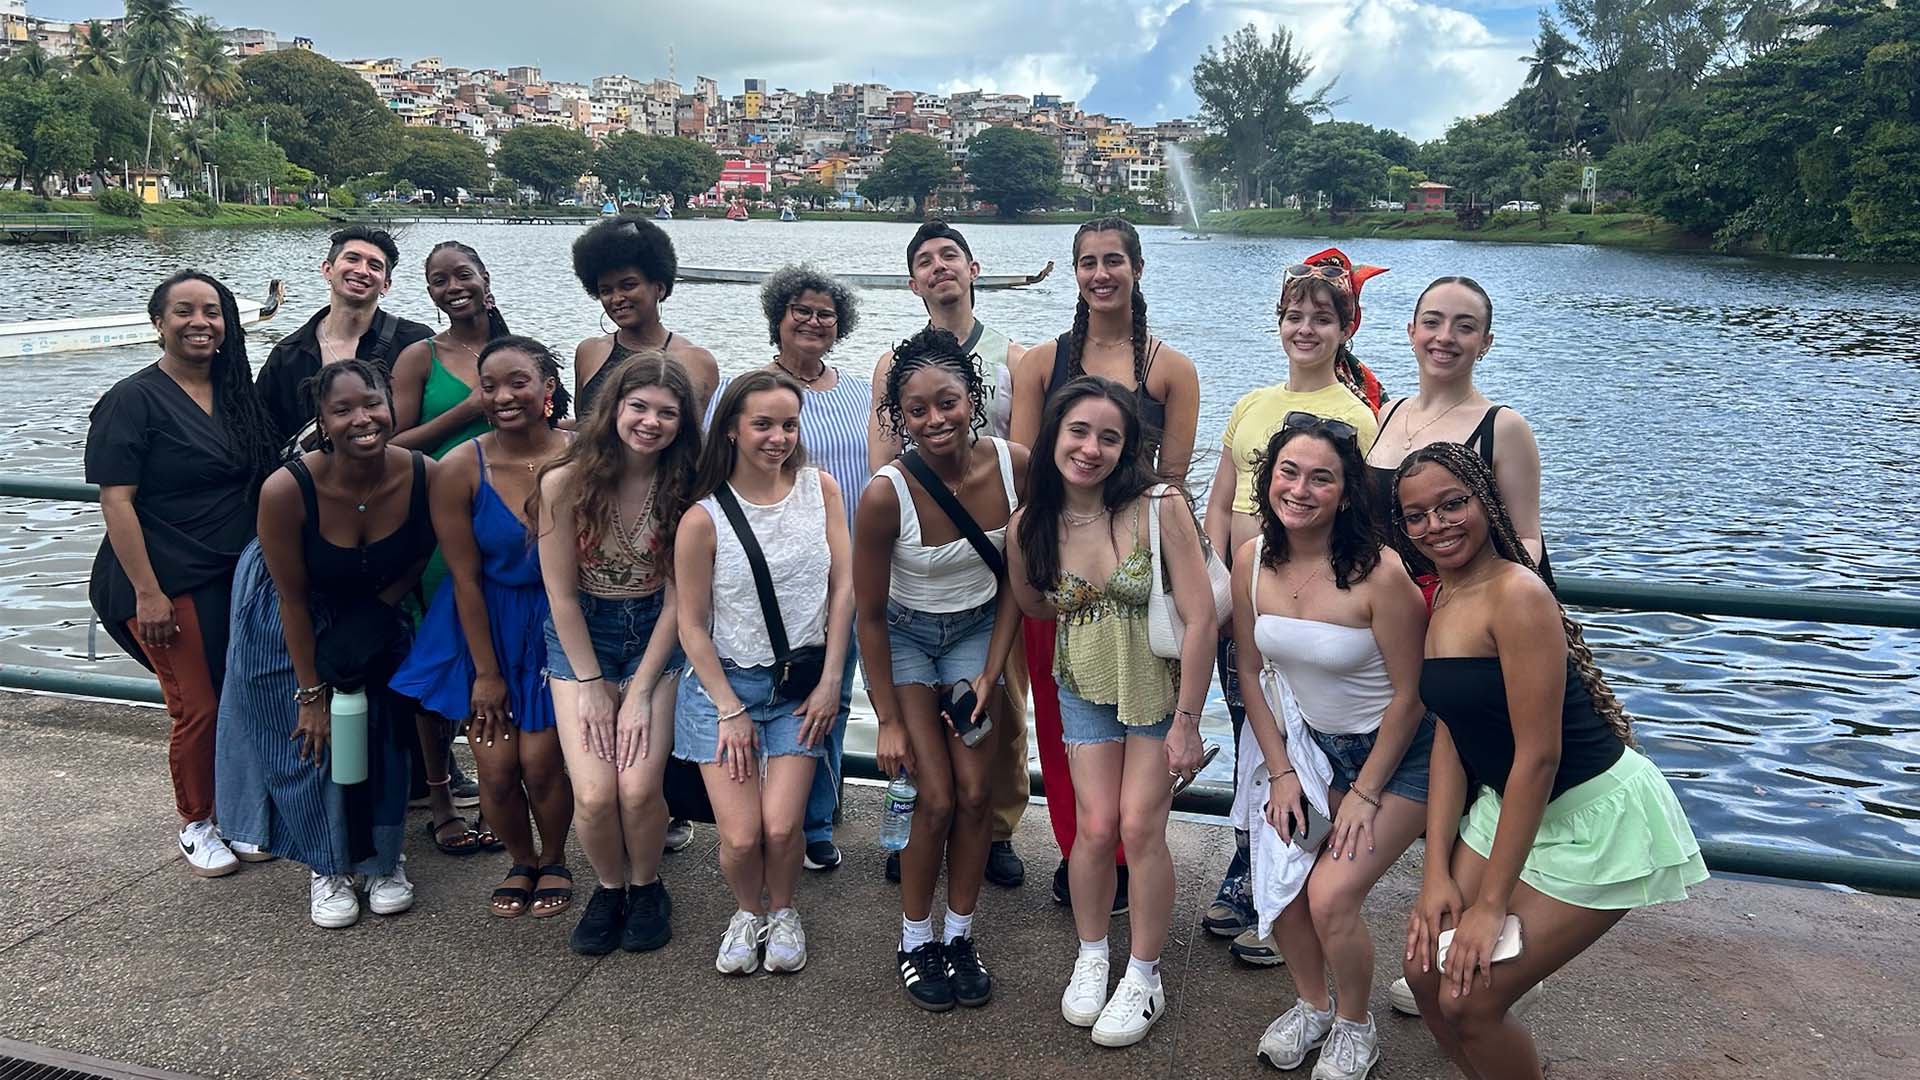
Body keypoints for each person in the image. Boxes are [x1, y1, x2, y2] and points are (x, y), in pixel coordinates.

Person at [1392, 443, 1706, 1080]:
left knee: (1471, 1001)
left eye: (1453, 504)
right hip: (1504, 808)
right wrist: (1435, 876)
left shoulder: (1517, 595)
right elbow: (1454, 734)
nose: (1437, 525)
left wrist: (1489, 905)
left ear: (1486, 502)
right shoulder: (1445, 597)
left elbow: (1537, 756)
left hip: (1589, 816)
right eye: (1417, 515)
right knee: (1423, 973)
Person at [1004, 376, 1212, 1048]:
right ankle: (1094, 953)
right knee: (1094, 828)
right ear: (1055, 436)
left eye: (1109, 437)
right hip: (1085, 685)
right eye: (1079, 432)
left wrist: (1188, 719)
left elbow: (1203, 616)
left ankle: (1144, 973)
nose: (1090, 448)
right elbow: (1033, 604)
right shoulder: (1031, 522)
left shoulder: (1158, 506)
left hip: (1156, 691)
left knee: (1139, 827)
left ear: (1126, 449)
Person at [1007, 217, 1200, 913]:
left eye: (1113, 260)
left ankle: (1130, 849)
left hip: (1141, 576)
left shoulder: (1170, 369)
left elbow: (1171, 481)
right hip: (1063, 571)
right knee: (1066, 725)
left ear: (1137, 269)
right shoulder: (1041, 363)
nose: (1100, 274)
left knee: (1145, 720)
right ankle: (1080, 850)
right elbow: (1033, 475)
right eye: (1087, 262)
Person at [1229, 416, 1428, 1080]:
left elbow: (1411, 695)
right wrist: (1281, 772)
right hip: (1312, 751)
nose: (1301, 489)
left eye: (1322, 478)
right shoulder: (1251, 558)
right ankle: (1313, 1006)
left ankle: (1354, 1026)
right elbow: (1251, 673)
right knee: (1279, 883)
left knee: (1331, 896)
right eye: (1289, 472)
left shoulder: (1381, 574)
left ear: (1346, 493)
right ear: (1269, 480)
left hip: (1399, 758)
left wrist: (1366, 793)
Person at [1200, 250, 1386, 945]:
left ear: (1345, 330)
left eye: (1321, 318)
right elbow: (1220, 501)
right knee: (1257, 735)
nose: (1305, 329)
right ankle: (1251, 868)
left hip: (1309, 605)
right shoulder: (1252, 404)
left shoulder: (1358, 418)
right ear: (1278, 324)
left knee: (1307, 741)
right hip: (1243, 599)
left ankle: (1297, 881)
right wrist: (1217, 593)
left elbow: (1361, 519)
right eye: (1294, 316)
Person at [215, 360, 439, 927]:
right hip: (291, 617)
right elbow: (289, 596)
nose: (361, 419)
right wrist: (311, 693)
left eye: (372, 403)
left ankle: (384, 860)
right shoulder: (287, 488)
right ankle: (328, 865)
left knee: (382, 734)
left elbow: (418, 553)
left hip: (375, 605)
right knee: (310, 746)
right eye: (342, 410)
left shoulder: (423, 473)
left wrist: (380, 611)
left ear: (392, 404)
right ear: (322, 419)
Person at [86, 270, 283, 877]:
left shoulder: (236, 394)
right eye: (184, 311)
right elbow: (116, 502)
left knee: (239, 697)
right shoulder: (132, 399)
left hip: (233, 575)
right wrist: (149, 593)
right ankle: (197, 821)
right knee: (196, 705)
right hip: (162, 577)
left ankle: (240, 812)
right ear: (158, 323)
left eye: (213, 311)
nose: (200, 322)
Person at [859, 328, 1029, 1011]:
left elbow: (1018, 581)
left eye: (948, 402)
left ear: (974, 398)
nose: (935, 420)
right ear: (899, 415)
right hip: (904, 638)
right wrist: (890, 721)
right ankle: (915, 938)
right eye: (917, 410)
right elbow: (868, 614)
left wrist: (990, 675)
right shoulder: (884, 495)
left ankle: (960, 934)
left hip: (976, 634)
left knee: (976, 794)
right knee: (933, 796)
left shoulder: (1016, 466)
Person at [868, 220, 1031, 890]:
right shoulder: (894, 363)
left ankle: (993, 827)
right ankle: (914, 826)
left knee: (1002, 709)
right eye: (925, 261)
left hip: (990, 566)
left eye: (950, 257)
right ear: (913, 282)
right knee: (914, 717)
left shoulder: (1013, 359)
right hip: (921, 558)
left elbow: (1023, 468)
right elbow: (883, 457)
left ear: (973, 269)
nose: (940, 268)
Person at [675, 371, 854, 975]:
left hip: (800, 685)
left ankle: (783, 910)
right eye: (762, 424)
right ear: (730, 429)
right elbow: (692, 626)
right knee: (743, 835)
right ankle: (746, 911)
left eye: (788, 424)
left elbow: (844, 586)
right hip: (725, 688)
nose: (778, 437)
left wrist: (833, 680)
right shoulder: (703, 518)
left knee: (783, 828)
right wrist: (728, 708)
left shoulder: (819, 488)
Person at [391, 337, 577, 920]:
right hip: (484, 622)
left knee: (544, 764)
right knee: (496, 771)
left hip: (557, 621)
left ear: (547, 388)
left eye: (518, 381)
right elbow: (465, 579)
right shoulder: (458, 468)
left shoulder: (582, 455)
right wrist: (487, 674)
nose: (502, 396)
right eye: (489, 385)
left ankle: (555, 858)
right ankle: (519, 862)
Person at [535, 353, 700, 956]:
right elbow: (560, 596)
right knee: (597, 792)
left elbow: (683, 601)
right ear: (615, 409)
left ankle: (646, 883)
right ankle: (609, 887)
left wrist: (639, 692)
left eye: (667, 413)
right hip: (583, 639)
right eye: (639, 407)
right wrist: (594, 685)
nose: (651, 422)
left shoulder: (687, 487)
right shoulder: (565, 483)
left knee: (637, 787)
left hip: (656, 635)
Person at [708, 265, 865, 872]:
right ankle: (774, 812)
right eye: (801, 309)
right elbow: (716, 474)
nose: (814, 321)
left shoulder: (854, 391)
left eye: (826, 312)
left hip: (842, 565)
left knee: (832, 692)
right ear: (777, 315)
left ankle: (817, 817)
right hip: (767, 572)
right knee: (765, 692)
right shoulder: (748, 391)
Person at [388, 239, 516, 853]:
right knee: (441, 659)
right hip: (436, 527)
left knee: (501, 659)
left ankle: (498, 801)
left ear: (485, 278)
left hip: (505, 525)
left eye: (461, 274)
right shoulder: (419, 356)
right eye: (437, 280)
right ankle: (440, 797)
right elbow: (394, 443)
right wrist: (467, 408)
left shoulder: (514, 350)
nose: (451, 287)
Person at [1365, 276, 1549, 580]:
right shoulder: (1388, 413)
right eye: (1432, 322)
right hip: (1385, 607)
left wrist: (1479, 600)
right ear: (1412, 332)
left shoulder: (1502, 428)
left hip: (1460, 605)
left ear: (1485, 343)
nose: (1445, 337)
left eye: (1465, 327)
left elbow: (1527, 539)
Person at [255, 226, 433, 447]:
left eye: (374, 266)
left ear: (386, 285)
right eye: (352, 259)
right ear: (327, 269)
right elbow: (261, 433)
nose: (362, 271)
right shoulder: (287, 355)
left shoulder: (415, 342)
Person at [571, 215, 719, 418]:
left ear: (659, 287)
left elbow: (704, 440)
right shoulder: (589, 352)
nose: (617, 298)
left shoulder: (694, 361)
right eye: (606, 290)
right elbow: (582, 429)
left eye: (628, 285)